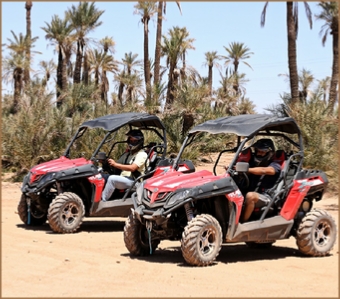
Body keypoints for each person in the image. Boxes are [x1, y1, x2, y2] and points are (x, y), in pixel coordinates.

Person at [241, 138, 281, 222]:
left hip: (267, 196)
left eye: (262, 152)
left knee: (250, 196)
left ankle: (243, 222)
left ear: (270, 153)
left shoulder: (275, 164)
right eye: (257, 151)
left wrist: (248, 170)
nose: (259, 153)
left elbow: (266, 170)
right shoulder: (253, 163)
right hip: (253, 191)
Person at [101, 129, 147, 202]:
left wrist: (115, 164)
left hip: (135, 181)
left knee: (112, 179)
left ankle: (102, 201)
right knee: (100, 176)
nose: (132, 143)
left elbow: (133, 168)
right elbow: (116, 164)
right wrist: (106, 162)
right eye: (131, 140)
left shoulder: (142, 154)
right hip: (124, 178)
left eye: (134, 141)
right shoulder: (127, 154)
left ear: (139, 142)